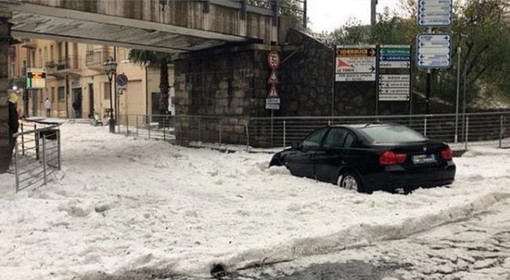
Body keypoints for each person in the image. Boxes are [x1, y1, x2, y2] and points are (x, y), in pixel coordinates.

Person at [8, 92, 19, 160]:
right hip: (12, 129)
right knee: (11, 144)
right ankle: (9, 159)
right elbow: (13, 119)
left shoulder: (8, 106)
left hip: (10, 128)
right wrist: (15, 129)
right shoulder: (11, 107)